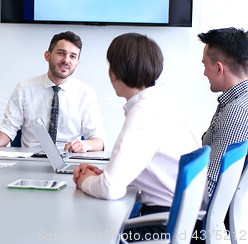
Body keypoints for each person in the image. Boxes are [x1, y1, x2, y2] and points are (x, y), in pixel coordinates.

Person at [73, 33, 200, 241]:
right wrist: (104, 175)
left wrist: (85, 181)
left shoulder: (144, 113)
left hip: (161, 224)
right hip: (181, 219)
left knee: (83, 232)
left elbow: (110, 189)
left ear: (114, 72)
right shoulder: (164, 102)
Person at [0, 31, 105, 152]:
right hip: (30, 160)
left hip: (68, 159)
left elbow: (98, 140)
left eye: (72, 56)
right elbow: (9, 128)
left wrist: (86, 144)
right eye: (61, 53)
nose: (66, 60)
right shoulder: (24, 88)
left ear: (77, 63)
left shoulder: (85, 93)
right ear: (47, 55)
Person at [199, 28, 248, 197]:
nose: (204, 72)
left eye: (205, 65)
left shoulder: (236, 112)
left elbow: (211, 188)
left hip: (201, 217)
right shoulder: (237, 102)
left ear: (219, 68)